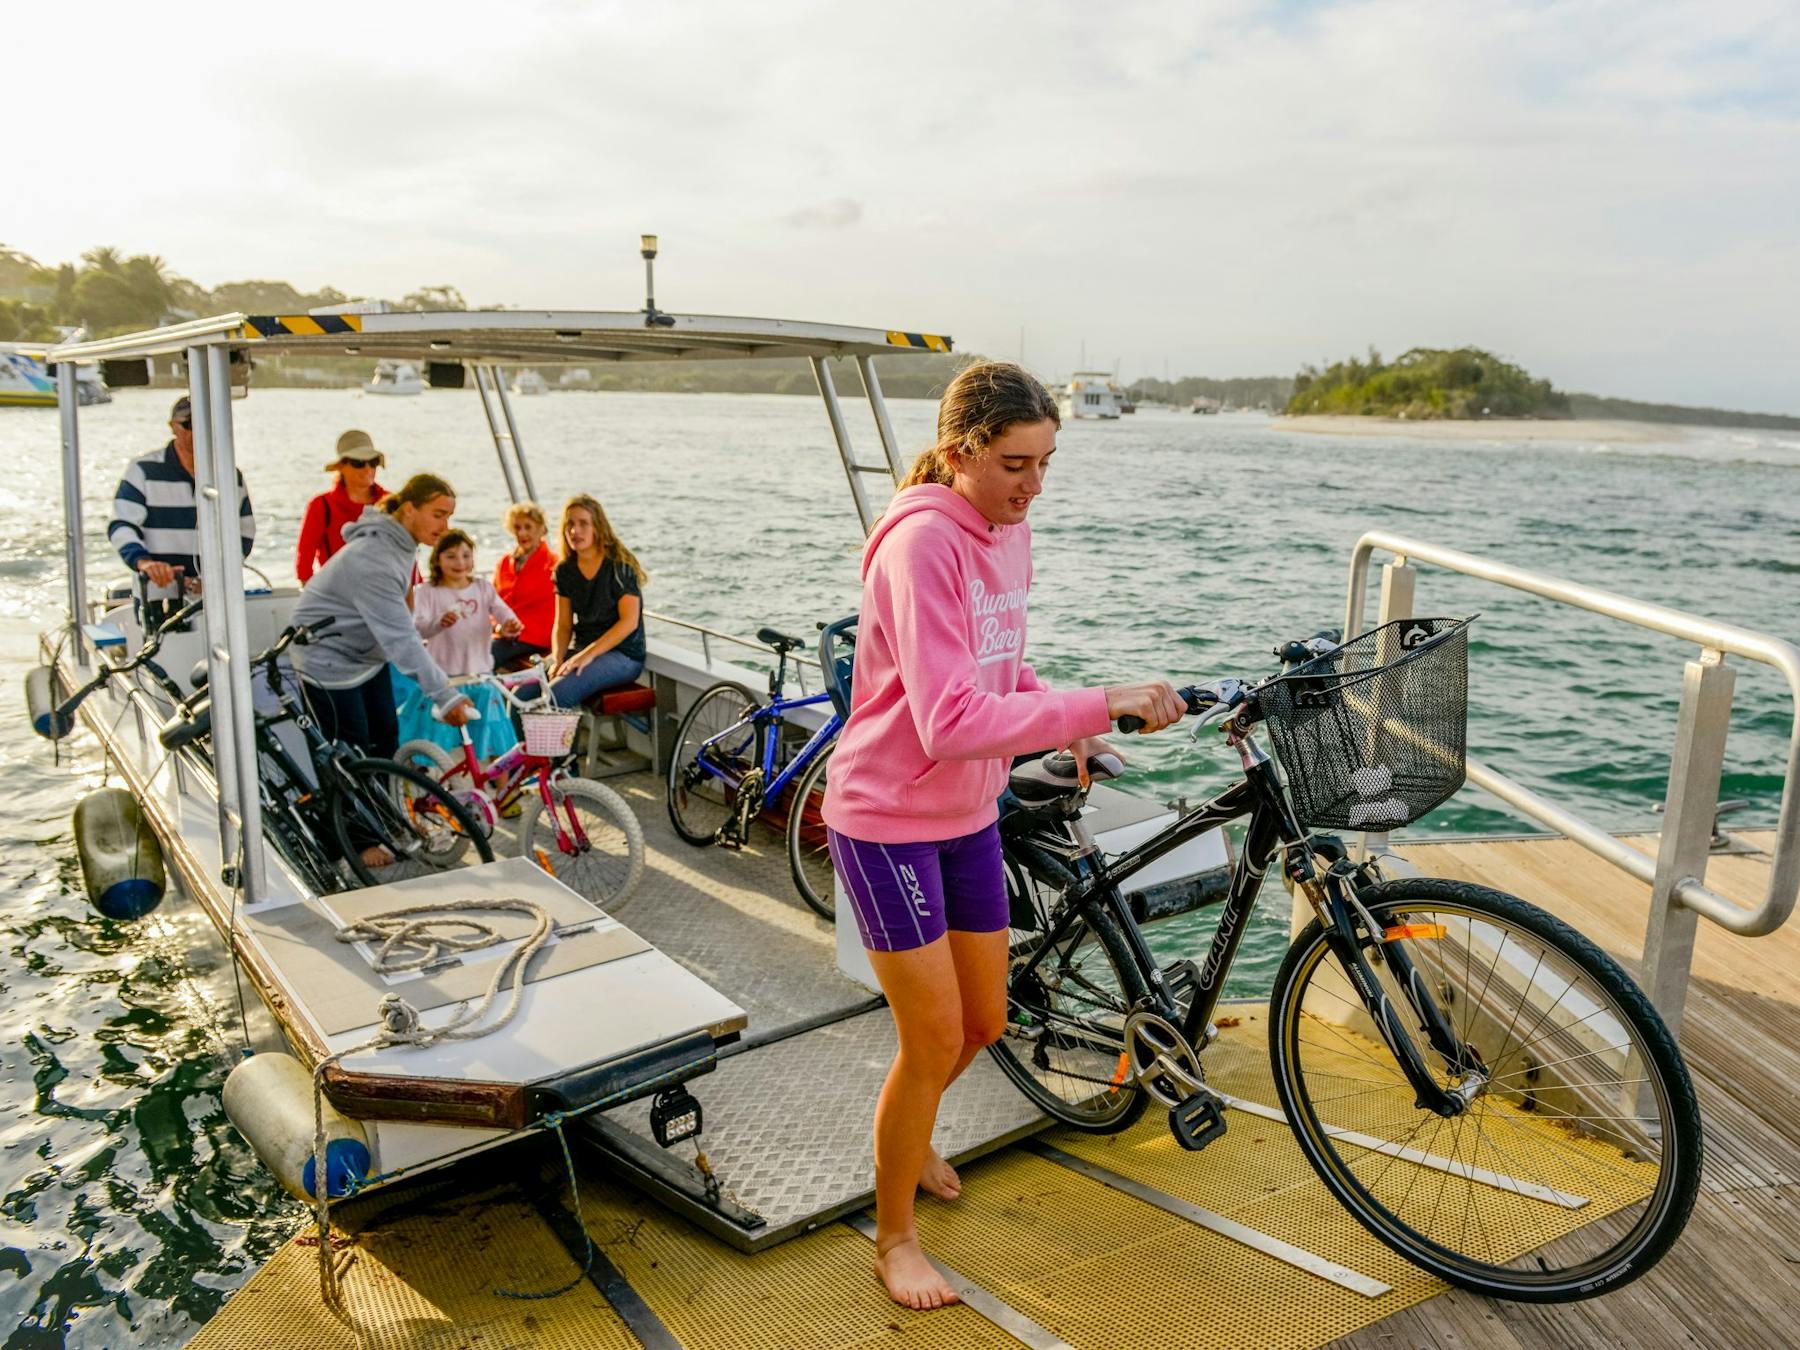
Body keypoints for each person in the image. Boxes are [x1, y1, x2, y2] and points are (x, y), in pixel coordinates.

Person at [819, 361, 1185, 1311]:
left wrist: (1080, 723)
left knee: (985, 1022)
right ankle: (893, 1237)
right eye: (1016, 463)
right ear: (959, 452)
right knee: (931, 1034)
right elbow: (946, 721)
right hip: (888, 819)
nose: (1034, 483)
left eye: (1046, 462)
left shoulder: (1006, 533)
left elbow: (1005, 668)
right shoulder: (921, 546)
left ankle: (913, 1136)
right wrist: (1098, 698)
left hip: (968, 815)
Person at [288, 473, 474, 762]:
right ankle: (344, 808)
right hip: (326, 660)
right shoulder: (375, 558)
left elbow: (404, 616)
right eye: (438, 515)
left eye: (448, 517)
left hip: (365, 657)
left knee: (387, 741)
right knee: (353, 754)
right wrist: (444, 695)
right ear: (409, 509)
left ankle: (384, 806)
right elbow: (400, 639)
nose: (444, 527)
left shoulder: (402, 545)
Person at [393, 529, 523, 758]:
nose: (459, 562)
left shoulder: (482, 587)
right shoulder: (427, 591)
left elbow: (503, 613)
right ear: (437, 559)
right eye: (451, 556)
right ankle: (438, 785)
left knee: (495, 740)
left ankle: (503, 790)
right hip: (443, 681)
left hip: (480, 677)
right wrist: (438, 623)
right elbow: (418, 627)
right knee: (435, 741)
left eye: (465, 555)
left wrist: (509, 627)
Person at [107, 394, 256, 591]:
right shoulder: (143, 470)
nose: (198, 433)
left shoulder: (229, 475)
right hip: (157, 593)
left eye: (206, 425)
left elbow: (244, 532)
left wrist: (217, 575)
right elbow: (121, 525)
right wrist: (145, 563)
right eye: (190, 425)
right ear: (173, 426)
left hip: (214, 595)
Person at [544, 494, 648, 706]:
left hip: (623, 655)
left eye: (583, 524)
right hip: (581, 648)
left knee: (556, 694)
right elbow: (563, 625)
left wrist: (586, 656)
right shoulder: (565, 571)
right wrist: (558, 658)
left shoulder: (619, 567)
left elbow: (629, 623)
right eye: (570, 524)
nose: (575, 531)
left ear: (598, 528)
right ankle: (521, 741)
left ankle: (554, 740)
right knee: (520, 694)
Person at [296, 430, 388, 583]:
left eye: (373, 462)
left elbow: (408, 554)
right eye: (358, 463)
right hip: (338, 595)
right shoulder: (321, 505)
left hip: (384, 593)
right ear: (341, 466)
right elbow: (304, 563)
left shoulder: (390, 503)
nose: (367, 469)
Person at [490, 501, 556, 670]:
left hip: (534, 637)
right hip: (503, 635)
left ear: (542, 529)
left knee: (482, 656)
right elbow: (490, 603)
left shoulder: (553, 564)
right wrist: (498, 626)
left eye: (528, 527)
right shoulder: (504, 562)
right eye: (517, 528)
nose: (522, 533)